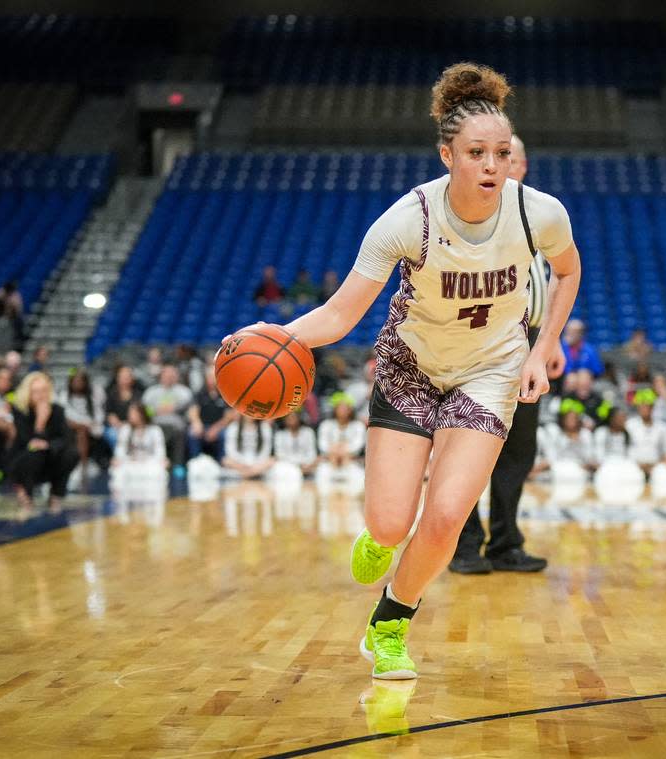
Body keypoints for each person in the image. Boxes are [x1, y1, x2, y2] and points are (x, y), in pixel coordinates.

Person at [226, 62, 580, 679]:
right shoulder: (406, 220)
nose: (492, 165)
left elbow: (568, 271)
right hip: (410, 366)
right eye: (476, 153)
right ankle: (381, 535)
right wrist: (274, 336)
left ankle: (390, 625)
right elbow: (339, 315)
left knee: (445, 516)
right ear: (448, 155)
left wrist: (540, 346)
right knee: (392, 521)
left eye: (501, 152)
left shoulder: (539, 213)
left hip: (490, 372)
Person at [451, 134, 567, 574]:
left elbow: (559, 279)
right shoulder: (471, 215)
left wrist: (548, 343)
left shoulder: (537, 220)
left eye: (512, 157)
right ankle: (462, 544)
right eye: (496, 156)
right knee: (467, 448)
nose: (504, 164)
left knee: (517, 452)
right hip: (481, 340)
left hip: (531, 341)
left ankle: (504, 542)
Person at [7, 372, 78, 510]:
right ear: (28, 392)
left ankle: (56, 495)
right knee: (36, 453)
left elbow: (65, 439)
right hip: (23, 460)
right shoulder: (20, 411)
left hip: (50, 456)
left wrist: (48, 445)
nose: (41, 395)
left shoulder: (57, 410)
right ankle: (26, 493)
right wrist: (40, 423)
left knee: (71, 454)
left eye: (44, 391)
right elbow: (26, 441)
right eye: (36, 391)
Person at [273, 411, 319, 476]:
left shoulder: (308, 432)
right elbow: (280, 454)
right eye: (289, 418)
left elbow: (311, 453)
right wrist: (297, 465)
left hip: (307, 465)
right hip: (287, 465)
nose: (291, 420)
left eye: (294, 417)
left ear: (299, 418)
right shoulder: (280, 434)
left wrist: (306, 464)